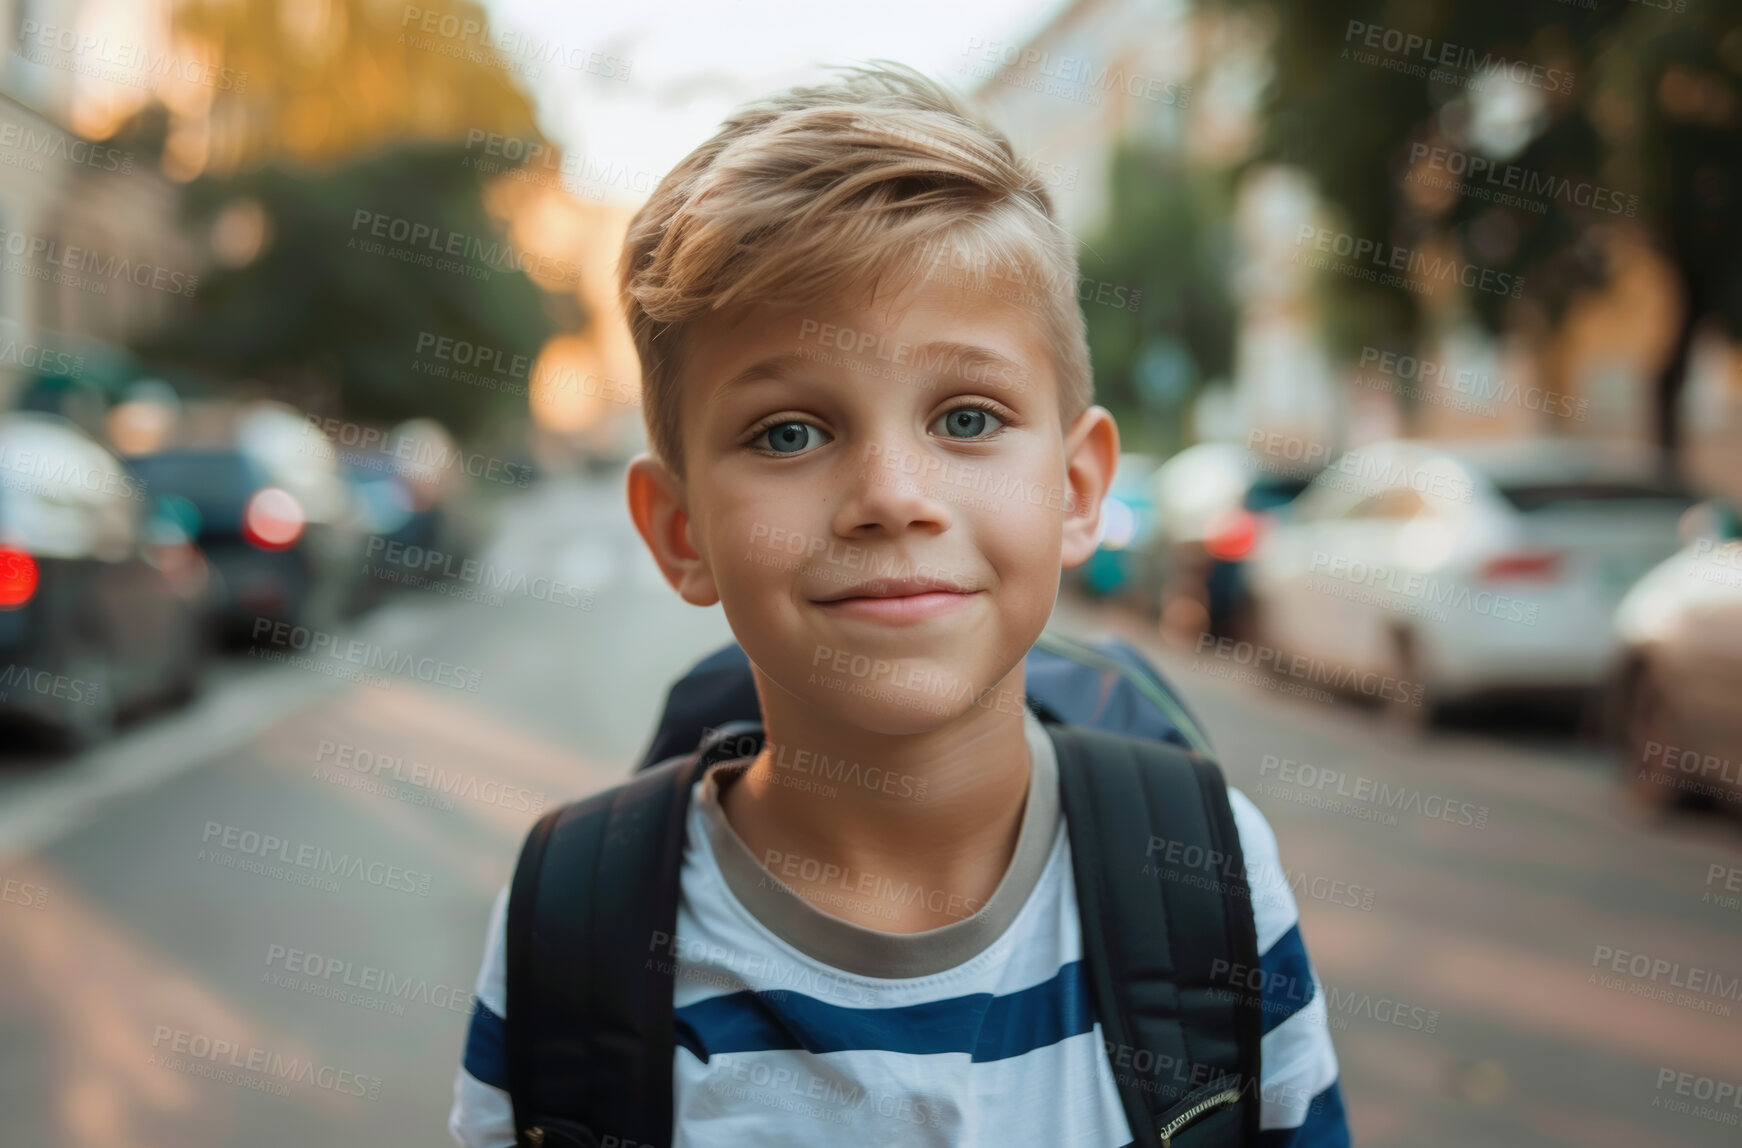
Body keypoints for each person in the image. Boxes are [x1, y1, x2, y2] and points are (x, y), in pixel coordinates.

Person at [450, 60, 1349, 1146]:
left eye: (966, 418)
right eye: (789, 431)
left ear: (1074, 491)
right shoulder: (574, 931)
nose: (889, 495)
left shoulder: (1207, 873)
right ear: (680, 531)